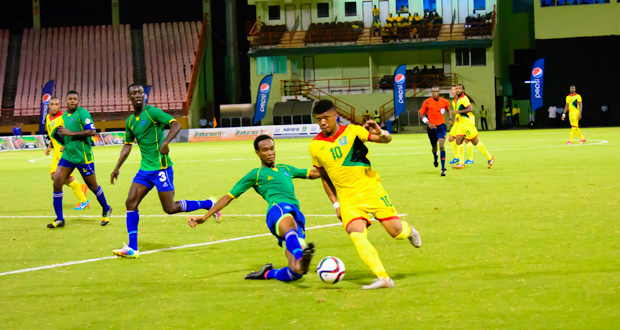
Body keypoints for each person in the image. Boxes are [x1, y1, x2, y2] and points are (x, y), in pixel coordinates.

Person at [309, 100, 422, 290]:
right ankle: (383, 277)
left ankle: (409, 230)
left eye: (325, 118)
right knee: (357, 235)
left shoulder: (353, 131)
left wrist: (381, 131)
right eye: (318, 120)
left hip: (371, 189)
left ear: (335, 115)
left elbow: (386, 140)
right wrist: (336, 204)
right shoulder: (315, 146)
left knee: (396, 233)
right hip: (348, 199)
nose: (322, 123)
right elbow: (324, 178)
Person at [110, 84, 221, 258]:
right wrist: (117, 167)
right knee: (130, 202)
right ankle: (133, 248)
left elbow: (176, 124)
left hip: (161, 168)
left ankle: (208, 204)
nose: (137, 95)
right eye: (133, 93)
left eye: (140, 92)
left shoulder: (153, 113)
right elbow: (127, 145)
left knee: (170, 208)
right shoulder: (130, 121)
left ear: (144, 95)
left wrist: (165, 142)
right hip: (145, 169)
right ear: (129, 97)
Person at [188, 135, 318, 282]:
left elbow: (313, 173)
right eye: (265, 150)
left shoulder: (285, 168)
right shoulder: (255, 174)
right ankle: (302, 256)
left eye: (272, 148)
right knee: (290, 227)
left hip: (296, 215)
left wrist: (335, 169)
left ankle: (268, 273)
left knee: (297, 271)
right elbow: (228, 196)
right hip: (278, 210)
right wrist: (205, 217)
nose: (270, 153)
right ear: (257, 152)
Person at [49, 90, 112, 228]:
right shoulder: (64, 116)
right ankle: (60, 219)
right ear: (66, 101)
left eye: (75, 99)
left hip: (83, 157)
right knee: (57, 181)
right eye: (70, 99)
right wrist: (63, 142)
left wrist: (70, 133)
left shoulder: (83, 113)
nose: (72, 101)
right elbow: (64, 134)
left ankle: (106, 208)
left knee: (93, 186)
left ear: (78, 101)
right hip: (68, 156)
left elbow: (92, 131)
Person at [45, 97, 89, 211]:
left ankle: (84, 200)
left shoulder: (62, 118)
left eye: (56, 104)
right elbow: (53, 135)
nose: (54, 106)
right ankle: (80, 187)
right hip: (56, 153)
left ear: (60, 106)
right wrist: (49, 147)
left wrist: (66, 145)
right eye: (52, 104)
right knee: (54, 177)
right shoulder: (48, 118)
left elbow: (68, 131)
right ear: (48, 106)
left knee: (65, 177)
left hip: (64, 153)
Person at [451, 84, 496, 169]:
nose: (457, 90)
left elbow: (470, 109)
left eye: (459, 89)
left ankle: (490, 157)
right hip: (461, 124)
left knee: (475, 142)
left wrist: (457, 112)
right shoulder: (458, 100)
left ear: (463, 90)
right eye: (456, 89)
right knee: (458, 141)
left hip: (467, 124)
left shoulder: (464, 99)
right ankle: (461, 163)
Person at [418, 85, 450, 176]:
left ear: (439, 92)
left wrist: (450, 119)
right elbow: (421, 114)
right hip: (431, 128)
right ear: (431, 92)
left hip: (441, 127)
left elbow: (448, 110)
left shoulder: (445, 101)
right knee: (434, 148)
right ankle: (435, 156)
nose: (435, 93)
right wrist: (428, 122)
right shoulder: (427, 102)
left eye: (436, 91)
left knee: (441, 145)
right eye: (433, 92)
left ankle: (443, 168)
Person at [447, 85, 474, 165]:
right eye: (452, 90)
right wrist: (454, 120)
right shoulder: (454, 101)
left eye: (454, 89)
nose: (453, 91)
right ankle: (457, 157)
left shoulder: (463, 99)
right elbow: (457, 111)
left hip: (466, 121)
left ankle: (470, 159)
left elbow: (468, 109)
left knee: (467, 139)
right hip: (458, 121)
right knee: (451, 138)